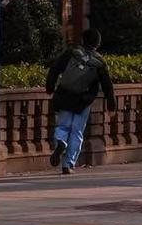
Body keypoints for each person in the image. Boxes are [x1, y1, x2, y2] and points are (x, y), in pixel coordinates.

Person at [45, 28, 115, 174]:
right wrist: (111, 105)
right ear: (98, 43)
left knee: (63, 125)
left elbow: (55, 69)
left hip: (65, 95)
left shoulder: (71, 53)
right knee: (77, 131)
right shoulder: (99, 62)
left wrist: (50, 87)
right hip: (83, 100)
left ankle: (61, 142)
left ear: (83, 40)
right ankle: (68, 164)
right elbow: (107, 85)